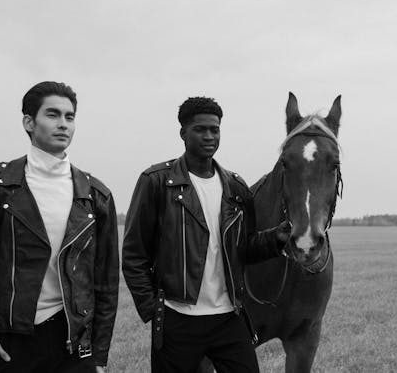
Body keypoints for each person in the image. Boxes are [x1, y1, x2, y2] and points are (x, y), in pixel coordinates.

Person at [0, 81, 119, 373]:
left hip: (73, 343)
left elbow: (105, 283)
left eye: (70, 116)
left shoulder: (95, 195)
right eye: (52, 115)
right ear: (28, 121)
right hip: (10, 341)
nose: (63, 124)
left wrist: (98, 356)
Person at [122, 96, 292, 373]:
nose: (209, 136)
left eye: (215, 129)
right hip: (178, 318)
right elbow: (133, 254)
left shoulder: (236, 187)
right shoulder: (156, 182)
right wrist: (152, 309)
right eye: (200, 129)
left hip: (228, 318)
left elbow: (243, 248)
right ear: (183, 133)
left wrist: (275, 239)